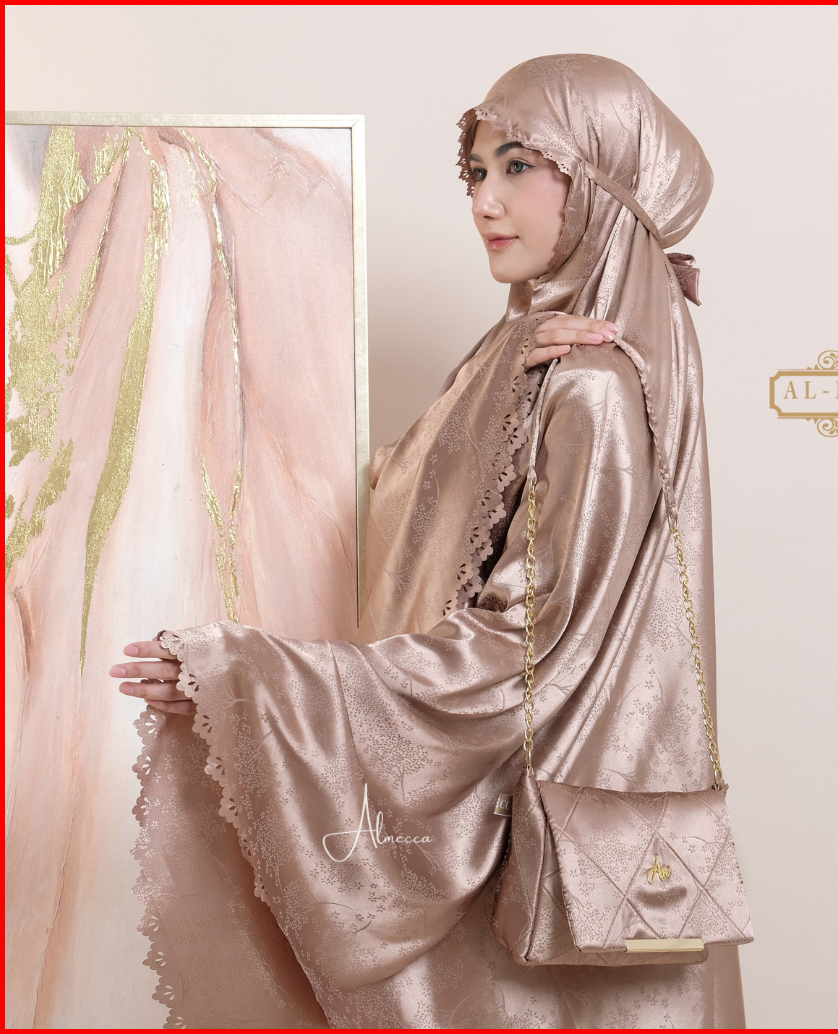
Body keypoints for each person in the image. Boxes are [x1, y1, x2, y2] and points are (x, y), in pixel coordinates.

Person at [112, 54, 746, 1028]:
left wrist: (253, 679)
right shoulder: (525, 357)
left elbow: (526, 655)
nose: (485, 200)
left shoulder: (591, 388)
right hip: (538, 848)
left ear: (605, 182)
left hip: (538, 872)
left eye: (518, 166)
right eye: (476, 172)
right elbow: (410, 507)